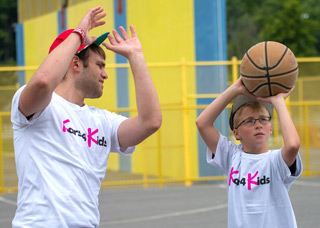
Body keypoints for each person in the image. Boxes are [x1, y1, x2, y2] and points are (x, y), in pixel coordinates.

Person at [11, 6, 162, 228]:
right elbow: (43, 82)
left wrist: (136, 57)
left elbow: (150, 122)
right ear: (75, 63)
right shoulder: (40, 106)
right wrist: (79, 33)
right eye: (100, 65)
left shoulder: (102, 121)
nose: (105, 74)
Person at [196, 77, 302, 228]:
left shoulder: (275, 161)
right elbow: (202, 123)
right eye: (250, 121)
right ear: (236, 133)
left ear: (270, 129)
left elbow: (292, 145)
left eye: (263, 119)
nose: (258, 125)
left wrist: (279, 101)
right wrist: (235, 89)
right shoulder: (231, 157)